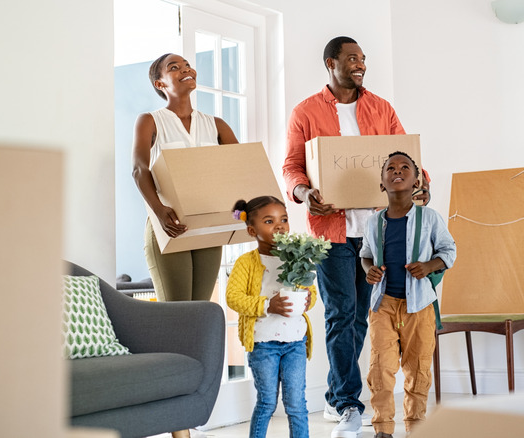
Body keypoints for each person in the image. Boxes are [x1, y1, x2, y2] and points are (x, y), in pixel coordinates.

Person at [282, 36, 429, 438]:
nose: (360, 64)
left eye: (363, 58)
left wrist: (423, 182)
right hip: (332, 232)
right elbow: (293, 167)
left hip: (378, 232)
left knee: (363, 313)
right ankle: (347, 401)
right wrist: (305, 194)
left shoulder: (381, 108)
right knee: (340, 313)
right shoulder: (306, 112)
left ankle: (334, 396)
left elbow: (407, 158)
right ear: (331, 63)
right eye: (351, 58)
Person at [131, 53, 238, 438]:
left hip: (207, 234)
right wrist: (159, 210)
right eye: (174, 68)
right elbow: (140, 168)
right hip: (168, 230)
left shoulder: (217, 125)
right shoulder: (152, 121)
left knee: (198, 320)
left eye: (188, 65)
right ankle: (178, 427)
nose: (186, 70)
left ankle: (187, 410)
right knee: (176, 321)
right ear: (160, 83)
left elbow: (238, 171)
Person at [360, 152, 456, 438]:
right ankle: (383, 429)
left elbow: (449, 251)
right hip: (383, 305)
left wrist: (429, 265)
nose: (397, 171)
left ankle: (416, 426)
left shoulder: (429, 218)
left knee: (418, 368)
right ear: (382, 183)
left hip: (420, 306)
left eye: (405, 168)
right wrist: (369, 270)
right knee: (380, 368)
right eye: (390, 168)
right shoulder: (373, 222)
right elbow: (365, 254)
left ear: (418, 181)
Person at [226, 196, 316, 438]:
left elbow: (311, 291)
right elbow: (233, 298)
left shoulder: (296, 257)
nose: (279, 226)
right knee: (267, 402)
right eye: (269, 221)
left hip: (295, 343)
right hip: (263, 344)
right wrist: (268, 305)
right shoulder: (246, 263)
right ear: (252, 230)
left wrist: (308, 298)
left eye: (283, 219)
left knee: (297, 404)